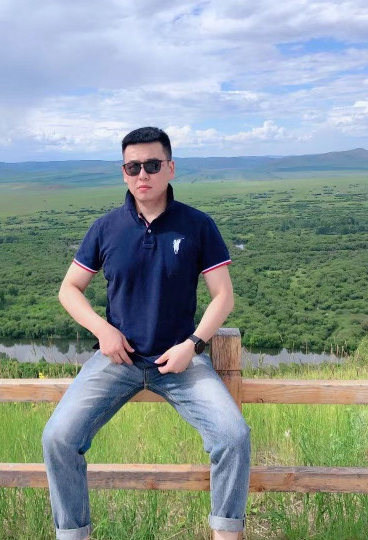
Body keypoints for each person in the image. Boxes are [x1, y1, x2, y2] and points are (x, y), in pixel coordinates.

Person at [42, 127, 250, 540]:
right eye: (132, 166)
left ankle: (226, 533)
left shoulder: (197, 225)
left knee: (233, 436)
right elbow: (69, 289)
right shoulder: (106, 228)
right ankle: (72, 534)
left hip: (180, 361)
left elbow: (223, 296)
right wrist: (103, 331)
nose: (143, 174)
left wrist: (193, 345)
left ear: (170, 168)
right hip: (117, 360)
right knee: (58, 439)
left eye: (152, 165)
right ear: (123, 172)